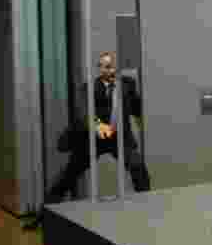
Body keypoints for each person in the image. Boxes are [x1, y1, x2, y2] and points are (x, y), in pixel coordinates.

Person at [46, 51, 152, 201]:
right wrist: (98, 125)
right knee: (69, 174)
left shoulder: (127, 85)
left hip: (120, 138)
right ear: (99, 68)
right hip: (93, 139)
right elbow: (83, 112)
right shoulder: (88, 88)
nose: (108, 70)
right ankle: (46, 212)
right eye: (104, 67)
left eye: (111, 66)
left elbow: (136, 107)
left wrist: (144, 118)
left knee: (137, 166)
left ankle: (146, 204)